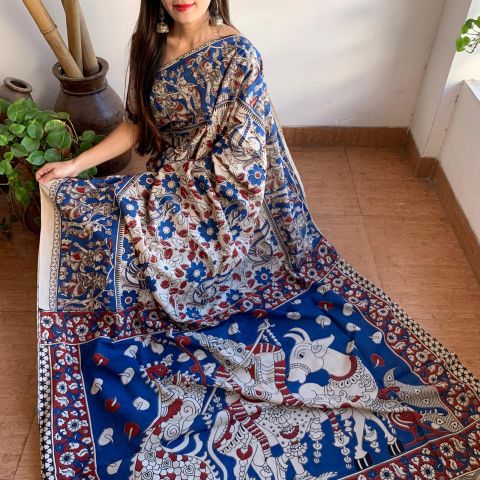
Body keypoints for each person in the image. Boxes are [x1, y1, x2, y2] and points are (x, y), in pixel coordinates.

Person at [35, 1, 480, 479]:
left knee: (131, 224)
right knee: (97, 216)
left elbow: (244, 162)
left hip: (221, 201)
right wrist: (76, 166)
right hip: (169, 187)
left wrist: (174, 193)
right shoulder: (148, 45)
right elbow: (137, 122)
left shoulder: (238, 53)